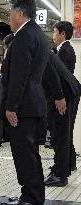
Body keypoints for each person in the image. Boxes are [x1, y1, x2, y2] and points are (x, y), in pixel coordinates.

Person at [1, 0, 49, 204]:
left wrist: (12, 106)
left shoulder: (23, 36)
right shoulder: (38, 34)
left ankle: (31, 197)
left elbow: (19, 75)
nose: (9, 16)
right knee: (31, 154)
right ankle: (32, 195)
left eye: (10, 12)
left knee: (24, 155)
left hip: (23, 106)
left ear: (20, 13)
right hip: (34, 103)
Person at [44, 51, 81, 186]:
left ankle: (60, 176)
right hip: (68, 91)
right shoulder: (39, 46)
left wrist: (59, 96)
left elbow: (50, 72)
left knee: (60, 135)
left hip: (64, 94)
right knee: (61, 134)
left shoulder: (32, 49)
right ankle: (62, 168)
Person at [53, 21, 80, 172]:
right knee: (66, 130)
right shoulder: (65, 49)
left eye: (55, 32)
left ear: (62, 34)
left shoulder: (64, 50)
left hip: (66, 96)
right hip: (71, 93)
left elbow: (60, 77)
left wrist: (59, 96)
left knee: (63, 132)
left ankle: (64, 165)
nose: (53, 35)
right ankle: (70, 162)